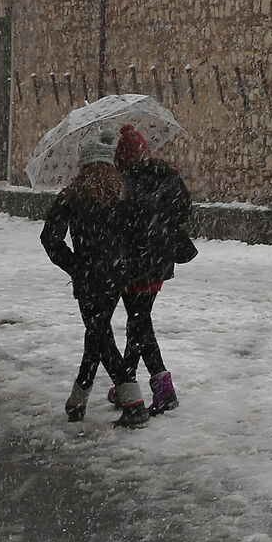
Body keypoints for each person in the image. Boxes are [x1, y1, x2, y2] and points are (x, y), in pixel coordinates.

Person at [41, 160, 147, 426]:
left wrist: (74, 265)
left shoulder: (71, 196)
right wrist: (124, 262)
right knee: (97, 334)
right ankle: (77, 401)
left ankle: (133, 402)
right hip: (116, 276)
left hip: (89, 278)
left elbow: (50, 238)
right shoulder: (124, 196)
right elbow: (137, 236)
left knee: (100, 336)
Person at [113, 124, 196, 416]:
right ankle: (126, 379)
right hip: (159, 261)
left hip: (132, 263)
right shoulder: (167, 175)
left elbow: (118, 223)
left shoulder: (120, 183)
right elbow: (184, 210)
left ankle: (163, 388)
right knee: (139, 321)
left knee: (139, 323)